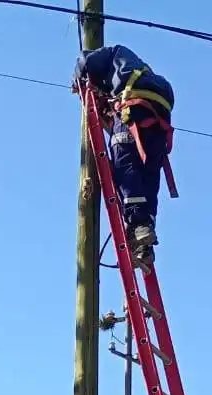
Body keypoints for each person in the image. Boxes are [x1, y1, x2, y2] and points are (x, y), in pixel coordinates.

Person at [73, 44, 174, 265]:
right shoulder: (138, 71)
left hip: (135, 106)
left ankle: (138, 222)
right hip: (160, 116)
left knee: (124, 161)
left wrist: (78, 78)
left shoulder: (115, 54)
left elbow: (85, 62)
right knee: (148, 170)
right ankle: (144, 238)